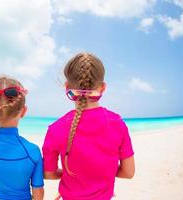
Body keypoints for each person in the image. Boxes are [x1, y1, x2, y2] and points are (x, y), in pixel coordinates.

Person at [42, 52, 135, 200]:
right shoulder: (117, 124)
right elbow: (129, 173)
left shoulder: (56, 129)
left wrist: (70, 174)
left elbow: (49, 173)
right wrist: (102, 172)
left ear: (67, 87)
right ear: (103, 87)